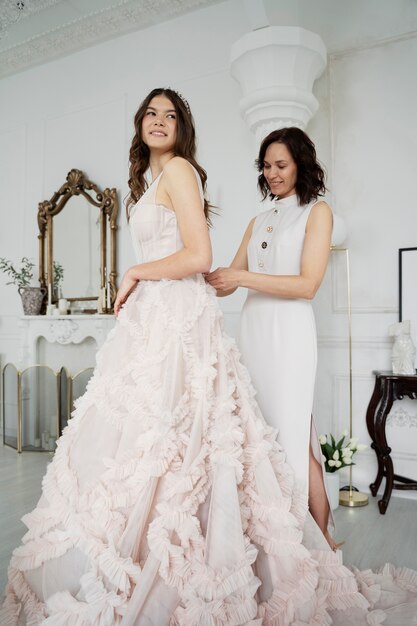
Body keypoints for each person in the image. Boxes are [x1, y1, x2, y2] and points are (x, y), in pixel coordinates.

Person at [2, 91, 416, 626]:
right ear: (139, 123)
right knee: (220, 439)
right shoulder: (243, 213)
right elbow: (211, 270)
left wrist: (139, 274)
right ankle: (300, 539)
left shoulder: (198, 177)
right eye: (151, 113)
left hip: (280, 329)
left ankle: (316, 542)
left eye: (170, 115)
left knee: (277, 438)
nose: (159, 121)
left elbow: (240, 266)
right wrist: (207, 285)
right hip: (212, 320)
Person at [206, 127, 335, 549]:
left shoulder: (316, 212)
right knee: (262, 435)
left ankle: (319, 544)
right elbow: (228, 281)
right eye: (266, 165)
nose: (273, 173)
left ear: (301, 163)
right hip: (255, 332)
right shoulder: (257, 220)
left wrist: (241, 276)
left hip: (291, 336)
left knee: (294, 433)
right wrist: (191, 273)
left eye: (281, 164)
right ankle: (276, 541)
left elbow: (307, 285)